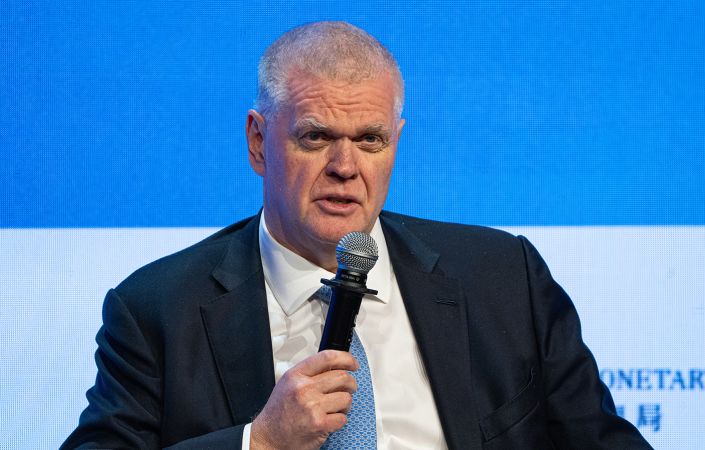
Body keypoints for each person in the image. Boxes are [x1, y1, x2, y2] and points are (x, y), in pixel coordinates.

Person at [63, 21, 652, 449]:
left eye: (370, 140)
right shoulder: (158, 309)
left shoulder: (503, 278)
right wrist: (259, 442)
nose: (345, 167)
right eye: (316, 137)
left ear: (396, 141)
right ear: (259, 142)